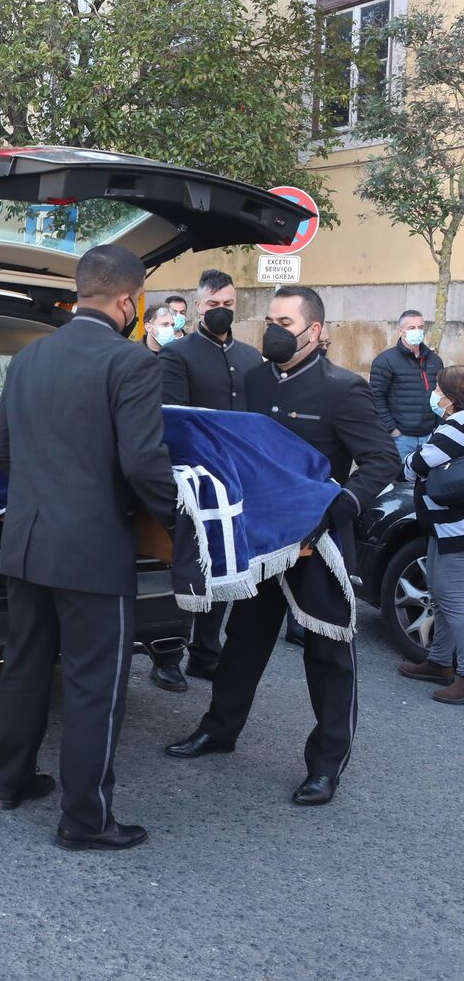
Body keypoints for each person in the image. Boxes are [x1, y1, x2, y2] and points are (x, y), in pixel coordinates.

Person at [166, 285, 398, 806]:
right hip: (261, 540)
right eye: (269, 318)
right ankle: (219, 730)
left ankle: (325, 765)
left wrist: (336, 507)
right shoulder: (252, 379)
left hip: (316, 543)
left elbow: (383, 459)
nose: (273, 329)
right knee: (245, 640)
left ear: (314, 332)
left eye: (285, 321)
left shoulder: (344, 389)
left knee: (327, 652)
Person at [0, 245, 177, 852]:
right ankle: (85, 819)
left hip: (27, 540)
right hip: (93, 550)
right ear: (129, 301)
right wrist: (178, 519)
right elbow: (144, 462)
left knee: (24, 665)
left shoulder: (30, 357)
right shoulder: (134, 364)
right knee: (97, 684)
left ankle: (9, 780)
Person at [152, 268, 263, 692]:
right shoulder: (177, 355)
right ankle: (168, 655)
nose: (221, 311)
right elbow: (174, 418)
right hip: (193, 478)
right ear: (199, 306)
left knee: (224, 563)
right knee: (186, 564)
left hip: (236, 479)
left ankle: (205, 652)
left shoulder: (252, 358)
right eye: (214, 305)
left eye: (228, 304)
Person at [398, 366, 464, 704]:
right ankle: (439, 662)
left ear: (451, 398)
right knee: (440, 595)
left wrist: (409, 460)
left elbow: (416, 465)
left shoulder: (457, 426)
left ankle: (462, 675)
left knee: (454, 602)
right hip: (445, 527)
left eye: (438, 390)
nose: (434, 396)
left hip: (455, 529)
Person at [370, 310, 444, 463]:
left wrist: (438, 427)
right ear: (400, 331)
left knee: (427, 483)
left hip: (430, 436)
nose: (417, 331)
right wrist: (392, 430)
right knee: (402, 483)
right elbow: (376, 396)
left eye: (421, 327)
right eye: (411, 328)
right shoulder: (385, 360)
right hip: (401, 438)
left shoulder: (435, 360)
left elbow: (441, 395)